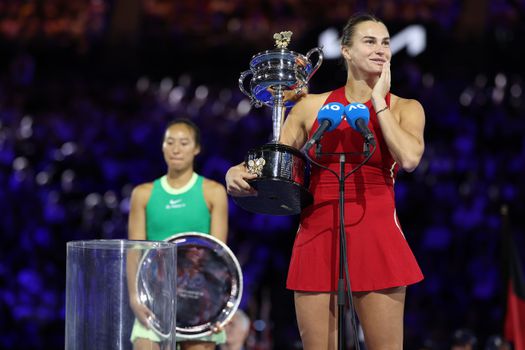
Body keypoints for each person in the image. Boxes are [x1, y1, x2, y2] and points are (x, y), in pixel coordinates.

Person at [226, 13, 425, 350]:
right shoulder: (309, 107)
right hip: (317, 232)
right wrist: (238, 170)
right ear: (345, 51)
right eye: (370, 41)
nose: (381, 49)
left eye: (386, 42)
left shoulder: (406, 108)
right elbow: (276, 164)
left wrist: (378, 103)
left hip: (377, 233)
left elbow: (408, 159)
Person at [127, 118, 229, 350]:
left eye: (184, 143)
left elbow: (219, 255)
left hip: (199, 299)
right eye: (170, 142)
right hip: (154, 299)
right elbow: (134, 251)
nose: (175, 149)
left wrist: (218, 306)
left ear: (196, 148)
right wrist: (135, 298)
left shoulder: (213, 192)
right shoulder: (143, 194)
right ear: (162, 146)